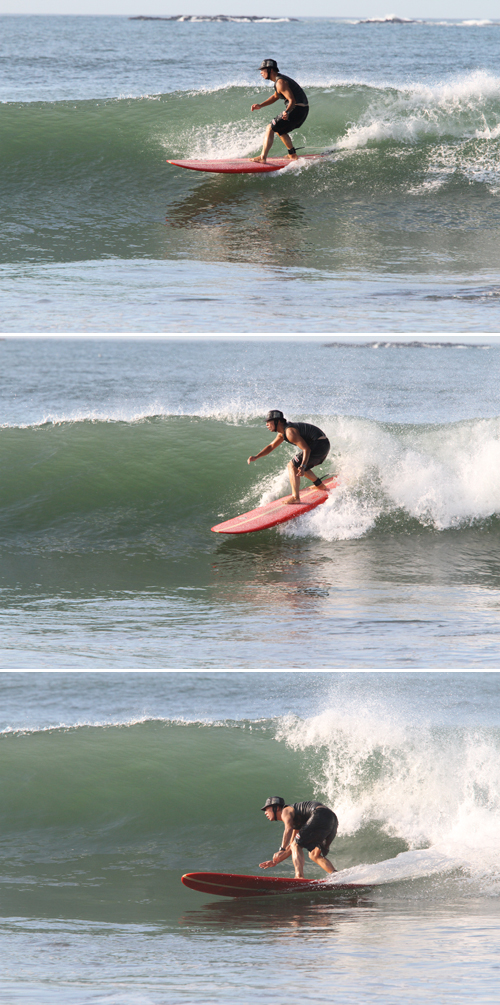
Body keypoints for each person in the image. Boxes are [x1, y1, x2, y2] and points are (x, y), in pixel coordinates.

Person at [247, 409, 330, 504]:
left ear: (277, 421)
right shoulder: (282, 433)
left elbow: (306, 449)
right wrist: (256, 457)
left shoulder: (290, 432)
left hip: (319, 445)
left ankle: (295, 497)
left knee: (292, 465)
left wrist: (303, 466)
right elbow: (271, 446)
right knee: (299, 465)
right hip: (322, 444)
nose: (267, 425)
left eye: (269, 422)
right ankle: (320, 485)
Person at [259, 796, 338, 878]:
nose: (265, 812)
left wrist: (282, 848)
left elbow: (288, 829)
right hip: (332, 819)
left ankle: (299, 876)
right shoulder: (297, 819)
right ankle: (336, 875)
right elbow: (291, 847)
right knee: (314, 855)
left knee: (296, 845)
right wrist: (275, 861)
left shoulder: (285, 810)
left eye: (267, 809)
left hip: (319, 814)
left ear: (277, 808)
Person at [251, 58, 309, 163]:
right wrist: (261, 105)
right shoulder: (279, 81)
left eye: (263, 70)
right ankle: (292, 155)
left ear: (271, 70)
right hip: (302, 110)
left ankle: (262, 157)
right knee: (280, 129)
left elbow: (292, 100)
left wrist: (287, 112)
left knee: (270, 127)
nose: (261, 72)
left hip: (297, 109)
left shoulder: (280, 82)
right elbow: (275, 96)